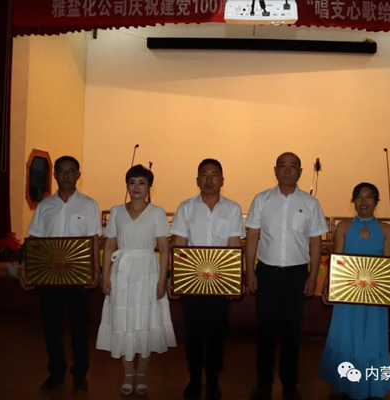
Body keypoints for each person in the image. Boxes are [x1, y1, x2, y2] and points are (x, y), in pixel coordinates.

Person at [245, 152, 329, 400]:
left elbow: (316, 242)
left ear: (300, 172)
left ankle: (290, 385)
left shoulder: (310, 203)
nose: (288, 170)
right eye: (283, 166)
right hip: (267, 274)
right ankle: (263, 383)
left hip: (296, 276)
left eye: (293, 166)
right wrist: (250, 271)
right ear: (275, 170)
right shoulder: (261, 200)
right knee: (265, 332)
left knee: (292, 332)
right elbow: (252, 238)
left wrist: (313, 275)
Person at [19, 155, 102, 393]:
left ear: (78, 175)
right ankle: (55, 373)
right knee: (52, 327)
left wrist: (95, 270)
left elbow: (94, 240)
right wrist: (24, 266)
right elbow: (35, 239)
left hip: (78, 277)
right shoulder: (45, 206)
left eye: (71, 170)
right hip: (49, 277)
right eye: (61, 171)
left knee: (79, 328)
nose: (66, 175)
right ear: (54, 175)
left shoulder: (89, 205)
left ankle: (80, 375)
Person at [96, 164, 176, 395]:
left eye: (142, 182)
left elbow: (164, 247)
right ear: (127, 186)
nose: (137, 187)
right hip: (122, 272)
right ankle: (128, 373)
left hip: (148, 271)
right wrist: (105, 275)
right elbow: (109, 245)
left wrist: (162, 279)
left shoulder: (157, 212)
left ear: (149, 186)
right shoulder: (117, 211)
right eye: (132, 182)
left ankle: (142, 373)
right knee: (124, 320)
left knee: (145, 320)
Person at [170, 158, 246, 400]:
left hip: (221, 283)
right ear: (197, 180)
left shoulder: (233, 208)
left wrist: (236, 280)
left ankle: (212, 380)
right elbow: (179, 244)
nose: (209, 179)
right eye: (204, 174)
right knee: (192, 333)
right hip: (191, 282)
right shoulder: (186, 208)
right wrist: (174, 278)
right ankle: (194, 379)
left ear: (222, 180)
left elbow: (234, 246)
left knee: (217, 334)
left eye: (214, 174)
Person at [319, 182, 390, 399]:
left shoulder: (386, 230)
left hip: (374, 297)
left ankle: (371, 384)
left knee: (372, 336)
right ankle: (345, 383)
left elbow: (388, 265)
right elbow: (337, 258)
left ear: (376, 201)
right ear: (353, 201)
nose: (364, 202)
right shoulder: (343, 227)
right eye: (359, 197)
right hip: (347, 295)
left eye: (369, 197)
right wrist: (328, 284)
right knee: (346, 335)